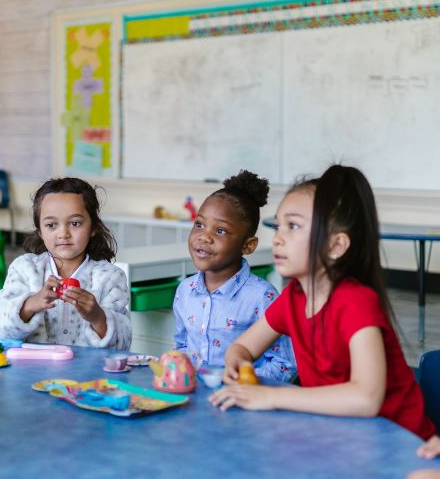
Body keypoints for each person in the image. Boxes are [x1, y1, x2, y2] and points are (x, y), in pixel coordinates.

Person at [209, 165, 437, 445]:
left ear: (336, 246)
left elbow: (366, 399)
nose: (278, 237)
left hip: (400, 444)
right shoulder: (293, 297)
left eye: (292, 226)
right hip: (343, 437)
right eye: (279, 226)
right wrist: (237, 364)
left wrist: (273, 396)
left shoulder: (356, 302)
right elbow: (242, 347)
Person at [173, 170, 296, 381]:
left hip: (242, 401)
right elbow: (182, 346)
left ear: (248, 245)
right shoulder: (185, 291)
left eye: (220, 230)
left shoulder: (262, 297)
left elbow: (285, 365)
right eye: (199, 224)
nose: (204, 237)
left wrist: (240, 382)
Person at [0, 177, 131, 349]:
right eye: (51, 225)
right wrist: (30, 304)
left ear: (93, 228)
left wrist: (97, 317)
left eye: (75, 223)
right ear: (39, 230)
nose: (63, 233)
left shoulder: (110, 277)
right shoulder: (24, 269)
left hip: (88, 374)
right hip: (32, 373)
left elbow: (123, 344)